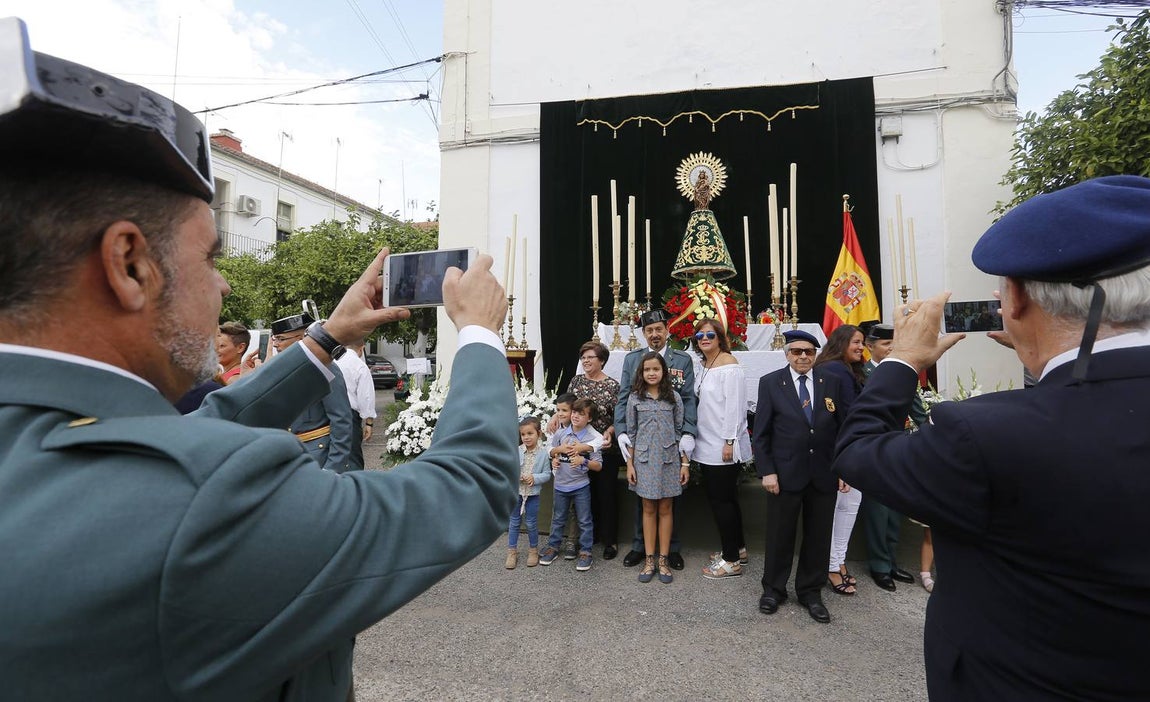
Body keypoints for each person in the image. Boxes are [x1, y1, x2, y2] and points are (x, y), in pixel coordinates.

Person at [0, 22, 518, 700]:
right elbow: (468, 487)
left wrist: (326, 338)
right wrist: (478, 333)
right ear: (129, 264)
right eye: (210, 257)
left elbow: (195, 431)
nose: (222, 286)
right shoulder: (203, 502)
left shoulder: (52, 443)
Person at [833, 175, 1150, 699]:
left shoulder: (984, 436)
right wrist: (1041, 356)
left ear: (1016, 299)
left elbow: (858, 451)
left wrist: (904, 359)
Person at [752, 329, 849, 624]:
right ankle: (773, 590)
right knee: (780, 535)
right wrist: (767, 471)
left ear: (816, 354)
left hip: (823, 473)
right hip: (784, 474)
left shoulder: (831, 381)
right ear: (787, 355)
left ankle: (810, 592)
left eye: (809, 351)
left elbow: (843, 428)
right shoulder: (771, 383)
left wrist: (844, 468)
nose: (803, 356)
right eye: (797, 351)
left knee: (818, 537)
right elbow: (761, 433)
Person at [615, 308, 698, 570]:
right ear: (643, 333)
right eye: (649, 330)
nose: (654, 334)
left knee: (670, 499)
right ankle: (640, 546)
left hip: (669, 442)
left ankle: (671, 549)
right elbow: (624, 397)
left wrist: (688, 432)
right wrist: (621, 431)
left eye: (659, 329)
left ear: (667, 330)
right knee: (643, 496)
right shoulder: (633, 360)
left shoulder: (681, 360)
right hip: (642, 441)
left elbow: (688, 399)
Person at [856, 323, 923, 592]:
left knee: (895, 509)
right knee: (877, 511)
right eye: (886, 344)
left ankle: (891, 562)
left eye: (894, 344)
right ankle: (879, 565)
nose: (891, 348)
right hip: (872, 449)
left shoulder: (904, 373)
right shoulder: (860, 374)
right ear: (870, 346)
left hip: (898, 448)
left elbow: (917, 410)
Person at [690, 318, 751, 580]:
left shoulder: (729, 365)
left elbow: (735, 407)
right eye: (700, 335)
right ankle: (737, 549)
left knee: (722, 502)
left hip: (722, 444)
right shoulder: (705, 364)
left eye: (710, 335)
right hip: (707, 441)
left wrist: (729, 441)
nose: (704, 339)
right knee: (726, 499)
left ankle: (731, 561)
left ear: (720, 338)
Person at [811, 324, 865, 595]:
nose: (861, 347)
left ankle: (837, 562)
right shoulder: (837, 370)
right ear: (842, 342)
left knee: (846, 507)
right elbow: (845, 415)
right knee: (845, 508)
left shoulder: (837, 367)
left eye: (862, 342)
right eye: (856, 342)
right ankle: (833, 566)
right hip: (843, 451)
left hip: (841, 449)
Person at [624, 351, 687, 584]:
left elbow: (679, 432)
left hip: (669, 460)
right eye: (647, 369)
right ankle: (649, 559)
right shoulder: (635, 398)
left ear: (663, 372)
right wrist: (630, 464)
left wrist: (685, 463)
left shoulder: (674, 398)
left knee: (666, 508)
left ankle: (663, 559)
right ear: (641, 373)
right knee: (648, 507)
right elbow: (631, 433)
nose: (652, 373)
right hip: (643, 461)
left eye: (656, 369)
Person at [268, 312, 356, 473]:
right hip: (288, 456)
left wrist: (333, 468)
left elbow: (341, 421)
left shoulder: (326, 368)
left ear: (301, 338)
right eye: (275, 339)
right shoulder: (283, 368)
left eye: (280, 339)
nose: (275, 344)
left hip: (318, 457)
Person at [566, 341, 622, 559]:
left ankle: (610, 541)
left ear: (602, 360)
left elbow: (620, 417)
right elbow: (567, 408)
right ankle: (590, 535)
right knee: (585, 494)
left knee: (606, 494)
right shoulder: (576, 381)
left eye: (590, 357)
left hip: (605, 448)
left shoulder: (613, 386)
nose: (586, 361)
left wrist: (610, 430)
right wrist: (554, 417)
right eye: (583, 357)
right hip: (579, 448)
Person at [540, 398, 603, 571]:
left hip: (581, 486)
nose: (575, 416)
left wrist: (584, 461)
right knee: (558, 518)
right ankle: (553, 547)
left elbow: (598, 465)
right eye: (574, 412)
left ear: (589, 419)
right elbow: (552, 452)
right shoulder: (561, 434)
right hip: (560, 485)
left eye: (581, 414)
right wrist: (555, 457)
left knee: (584, 520)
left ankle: (586, 551)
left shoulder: (590, 440)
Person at [506, 416, 551, 569]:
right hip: (517, 493)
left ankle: (533, 551)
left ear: (539, 433)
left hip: (532, 495)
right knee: (514, 522)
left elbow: (547, 474)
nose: (526, 437)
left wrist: (534, 478)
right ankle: (512, 551)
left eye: (530, 433)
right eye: (523, 434)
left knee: (531, 523)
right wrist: (516, 475)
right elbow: (510, 469)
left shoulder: (543, 454)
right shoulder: (517, 451)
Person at [335, 340, 377, 470]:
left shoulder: (333, 361)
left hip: (329, 413)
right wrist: (369, 423)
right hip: (349, 415)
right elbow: (366, 396)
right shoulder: (360, 366)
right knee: (353, 456)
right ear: (361, 348)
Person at [216, 321, 250, 385]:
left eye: (221, 346)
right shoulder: (224, 375)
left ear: (240, 347)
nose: (215, 350)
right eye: (215, 345)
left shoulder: (235, 379)